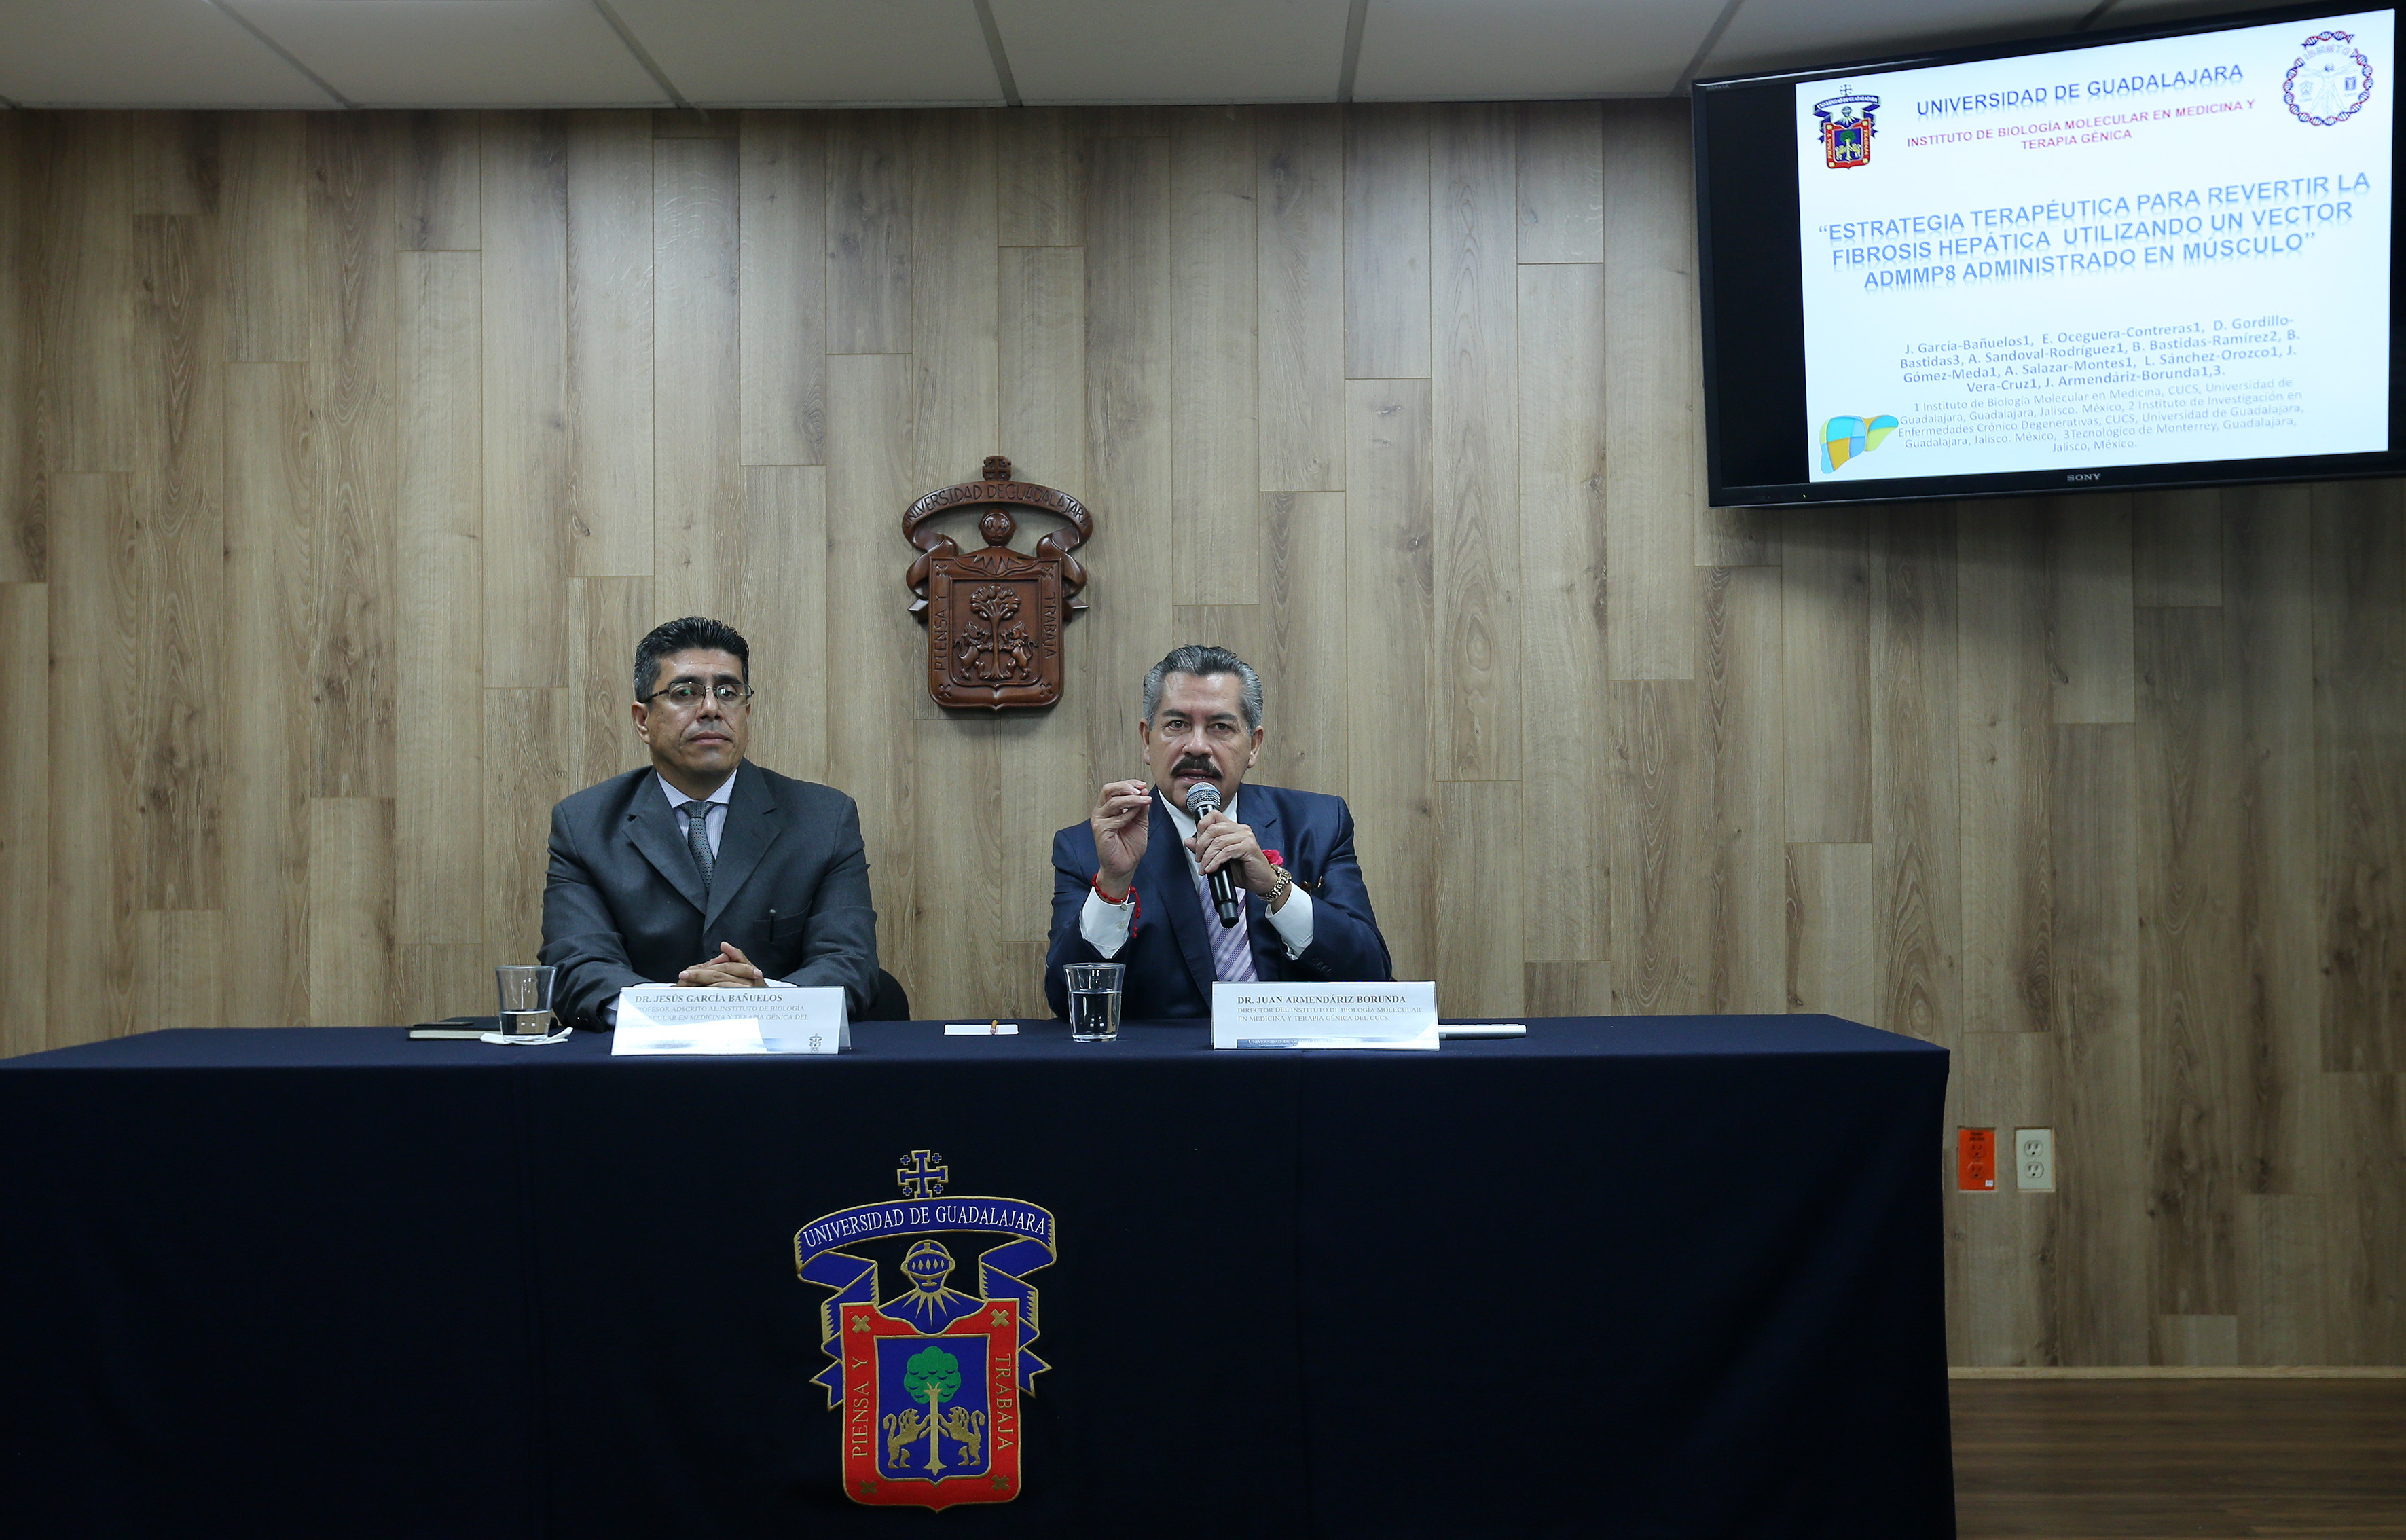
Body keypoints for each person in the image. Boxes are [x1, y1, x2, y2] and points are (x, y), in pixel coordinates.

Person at [540, 616, 879, 1029]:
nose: (712, 709)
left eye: (728, 692)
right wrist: (675, 1006)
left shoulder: (824, 818)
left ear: (747, 713)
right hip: (639, 1071)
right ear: (642, 720)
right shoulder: (585, 824)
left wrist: (765, 1002)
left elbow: (850, 963)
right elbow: (577, 968)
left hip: (783, 1067)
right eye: (685, 692)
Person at [1043, 644, 1391, 1020]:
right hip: (1166, 1071)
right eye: (1176, 725)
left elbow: (1371, 974)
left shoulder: (1318, 824)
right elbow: (1067, 1004)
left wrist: (1277, 891)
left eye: (1220, 727)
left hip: (1293, 1067)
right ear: (1147, 740)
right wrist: (1113, 883)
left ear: (1253, 746)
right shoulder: (1086, 847)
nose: (1196, 746)